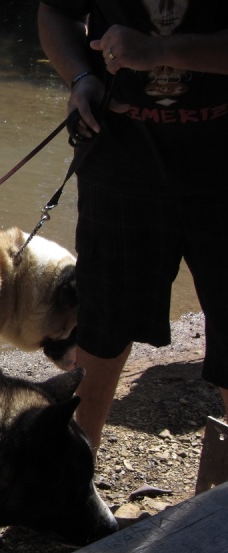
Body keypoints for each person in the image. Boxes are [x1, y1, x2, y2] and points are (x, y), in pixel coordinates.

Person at [36, 0, 228, 451]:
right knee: (101, 326)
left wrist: (163, 51)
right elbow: (56, 13)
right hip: (118, 161)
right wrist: (81, 78)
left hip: (222, 169)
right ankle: (75, 479)